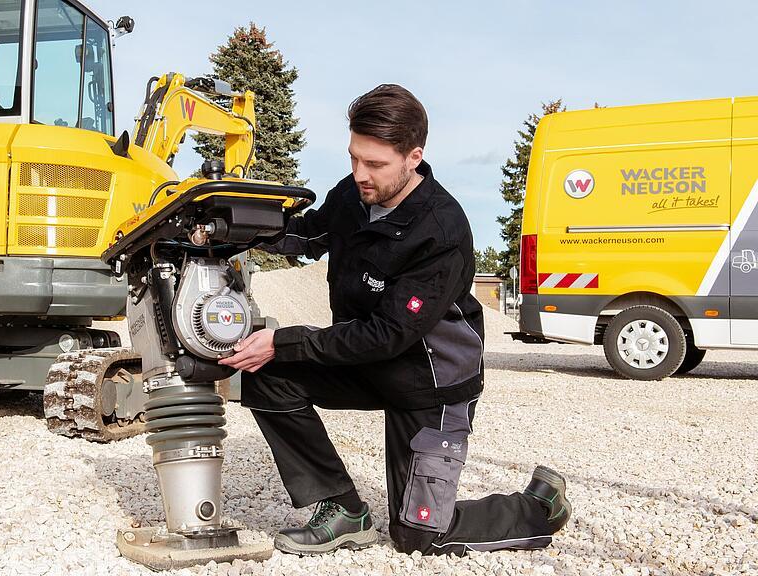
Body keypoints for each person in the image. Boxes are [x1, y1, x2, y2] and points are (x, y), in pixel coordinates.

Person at [218, 84, 571, 556]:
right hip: (364, 359)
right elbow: (305, 235)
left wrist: (282, 340)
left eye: (375, 164)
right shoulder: (354, 193)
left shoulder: (441, 231)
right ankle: (342, 509)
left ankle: (538, 507)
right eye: (354, 158)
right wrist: (231, 224)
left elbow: (388, 335)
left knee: (420, 536)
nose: (360, 174)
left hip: (429, 384)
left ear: (413, 157)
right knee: (264, 376)